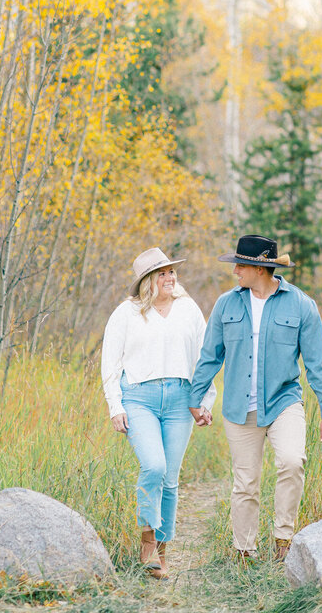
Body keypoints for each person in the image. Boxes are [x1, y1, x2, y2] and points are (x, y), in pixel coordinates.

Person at [188, 234, 322, 563]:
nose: (235, 270)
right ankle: (245, 551)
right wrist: (195, 397)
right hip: (240, 410)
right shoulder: (226, 304)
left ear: (261, 269)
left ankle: (283, 540)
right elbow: (210, 356)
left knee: (291, 461)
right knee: (246, 483)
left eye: (241, 265)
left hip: (284, 402)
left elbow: (318, 363)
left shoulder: (300, 304)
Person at [101, 247, 216, 579]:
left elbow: (203, 359)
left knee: (170, 478)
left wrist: (204, 400)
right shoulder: (126, 313)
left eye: (172, 272)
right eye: (163, 273)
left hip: (181, 399)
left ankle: (162, 555)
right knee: (154, 465)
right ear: (148, 280)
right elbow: (111, 362)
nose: (170, 277)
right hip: (139, 399)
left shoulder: (188, 309)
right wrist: (115, 406)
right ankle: (147, 540)